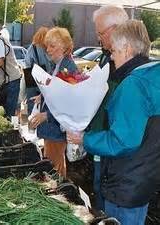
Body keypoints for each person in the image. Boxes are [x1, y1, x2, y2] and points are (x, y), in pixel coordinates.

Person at [67, 20, 160, 225]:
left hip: (125, 183)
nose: (111, 55)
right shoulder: (153, 74)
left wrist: (85, 138)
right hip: (144, 177)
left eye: (115, 50)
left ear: (127, 49)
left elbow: (122, 142)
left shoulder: (133, 85)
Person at [89, 5, 129, 211]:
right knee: (99, 187)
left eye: (100, 33)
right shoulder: (106, 56)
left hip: (113, 149)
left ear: (114, 29)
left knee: (106, 194)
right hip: (102, 140)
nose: (98, 38)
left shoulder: (128, 66)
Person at [30, 27, 78, 178]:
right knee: (54, 163)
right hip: (53, 130)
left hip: (56, 130)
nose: (48, 50)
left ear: (64, 48)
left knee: (53, 167)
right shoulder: (59, 65)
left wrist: (46, 116)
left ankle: (58, 193)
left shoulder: (68, 69)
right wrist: (41, 97)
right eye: (47, 46)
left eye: (52, 46)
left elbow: (69, 103)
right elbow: (56, 93)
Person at [25, 26, 53, 115]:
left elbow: (27, 64)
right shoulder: (48, 49)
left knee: (32, 106)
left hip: (32, 81)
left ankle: (31, 123)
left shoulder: (31, 48)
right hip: (47, 83)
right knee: (45, 106)